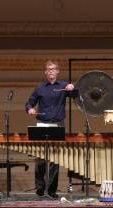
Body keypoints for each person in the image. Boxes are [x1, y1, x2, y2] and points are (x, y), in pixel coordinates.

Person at [25, 60, 76, 198]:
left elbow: (75, 96)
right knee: (40, 158)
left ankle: (52, 190)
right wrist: (30, 109)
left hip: (58, 124)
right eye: (48, 69)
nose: (51, 71)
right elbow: (30, 102)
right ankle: (40, 188)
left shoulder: (64, 85)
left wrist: (73, 88)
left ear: (57, 71)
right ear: (45, 72)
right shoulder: (40, 88)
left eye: (53, 69)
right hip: (42, 123)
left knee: (54, 160)